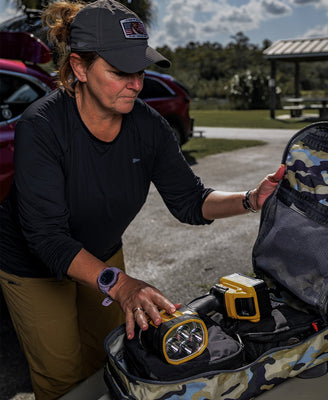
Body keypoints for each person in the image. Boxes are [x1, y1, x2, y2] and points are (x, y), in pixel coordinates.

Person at [0, 0, 285, 398]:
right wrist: (122, 287)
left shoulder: (149, 128)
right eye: (119, 72)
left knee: (108, 359)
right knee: (63, 380)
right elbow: (47, 238)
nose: (136, 83)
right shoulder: (41, 127)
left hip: (101, 253)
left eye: (140, 69)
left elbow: (191, 200)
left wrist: (252, 198)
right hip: (33, 268)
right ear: (79, 68)